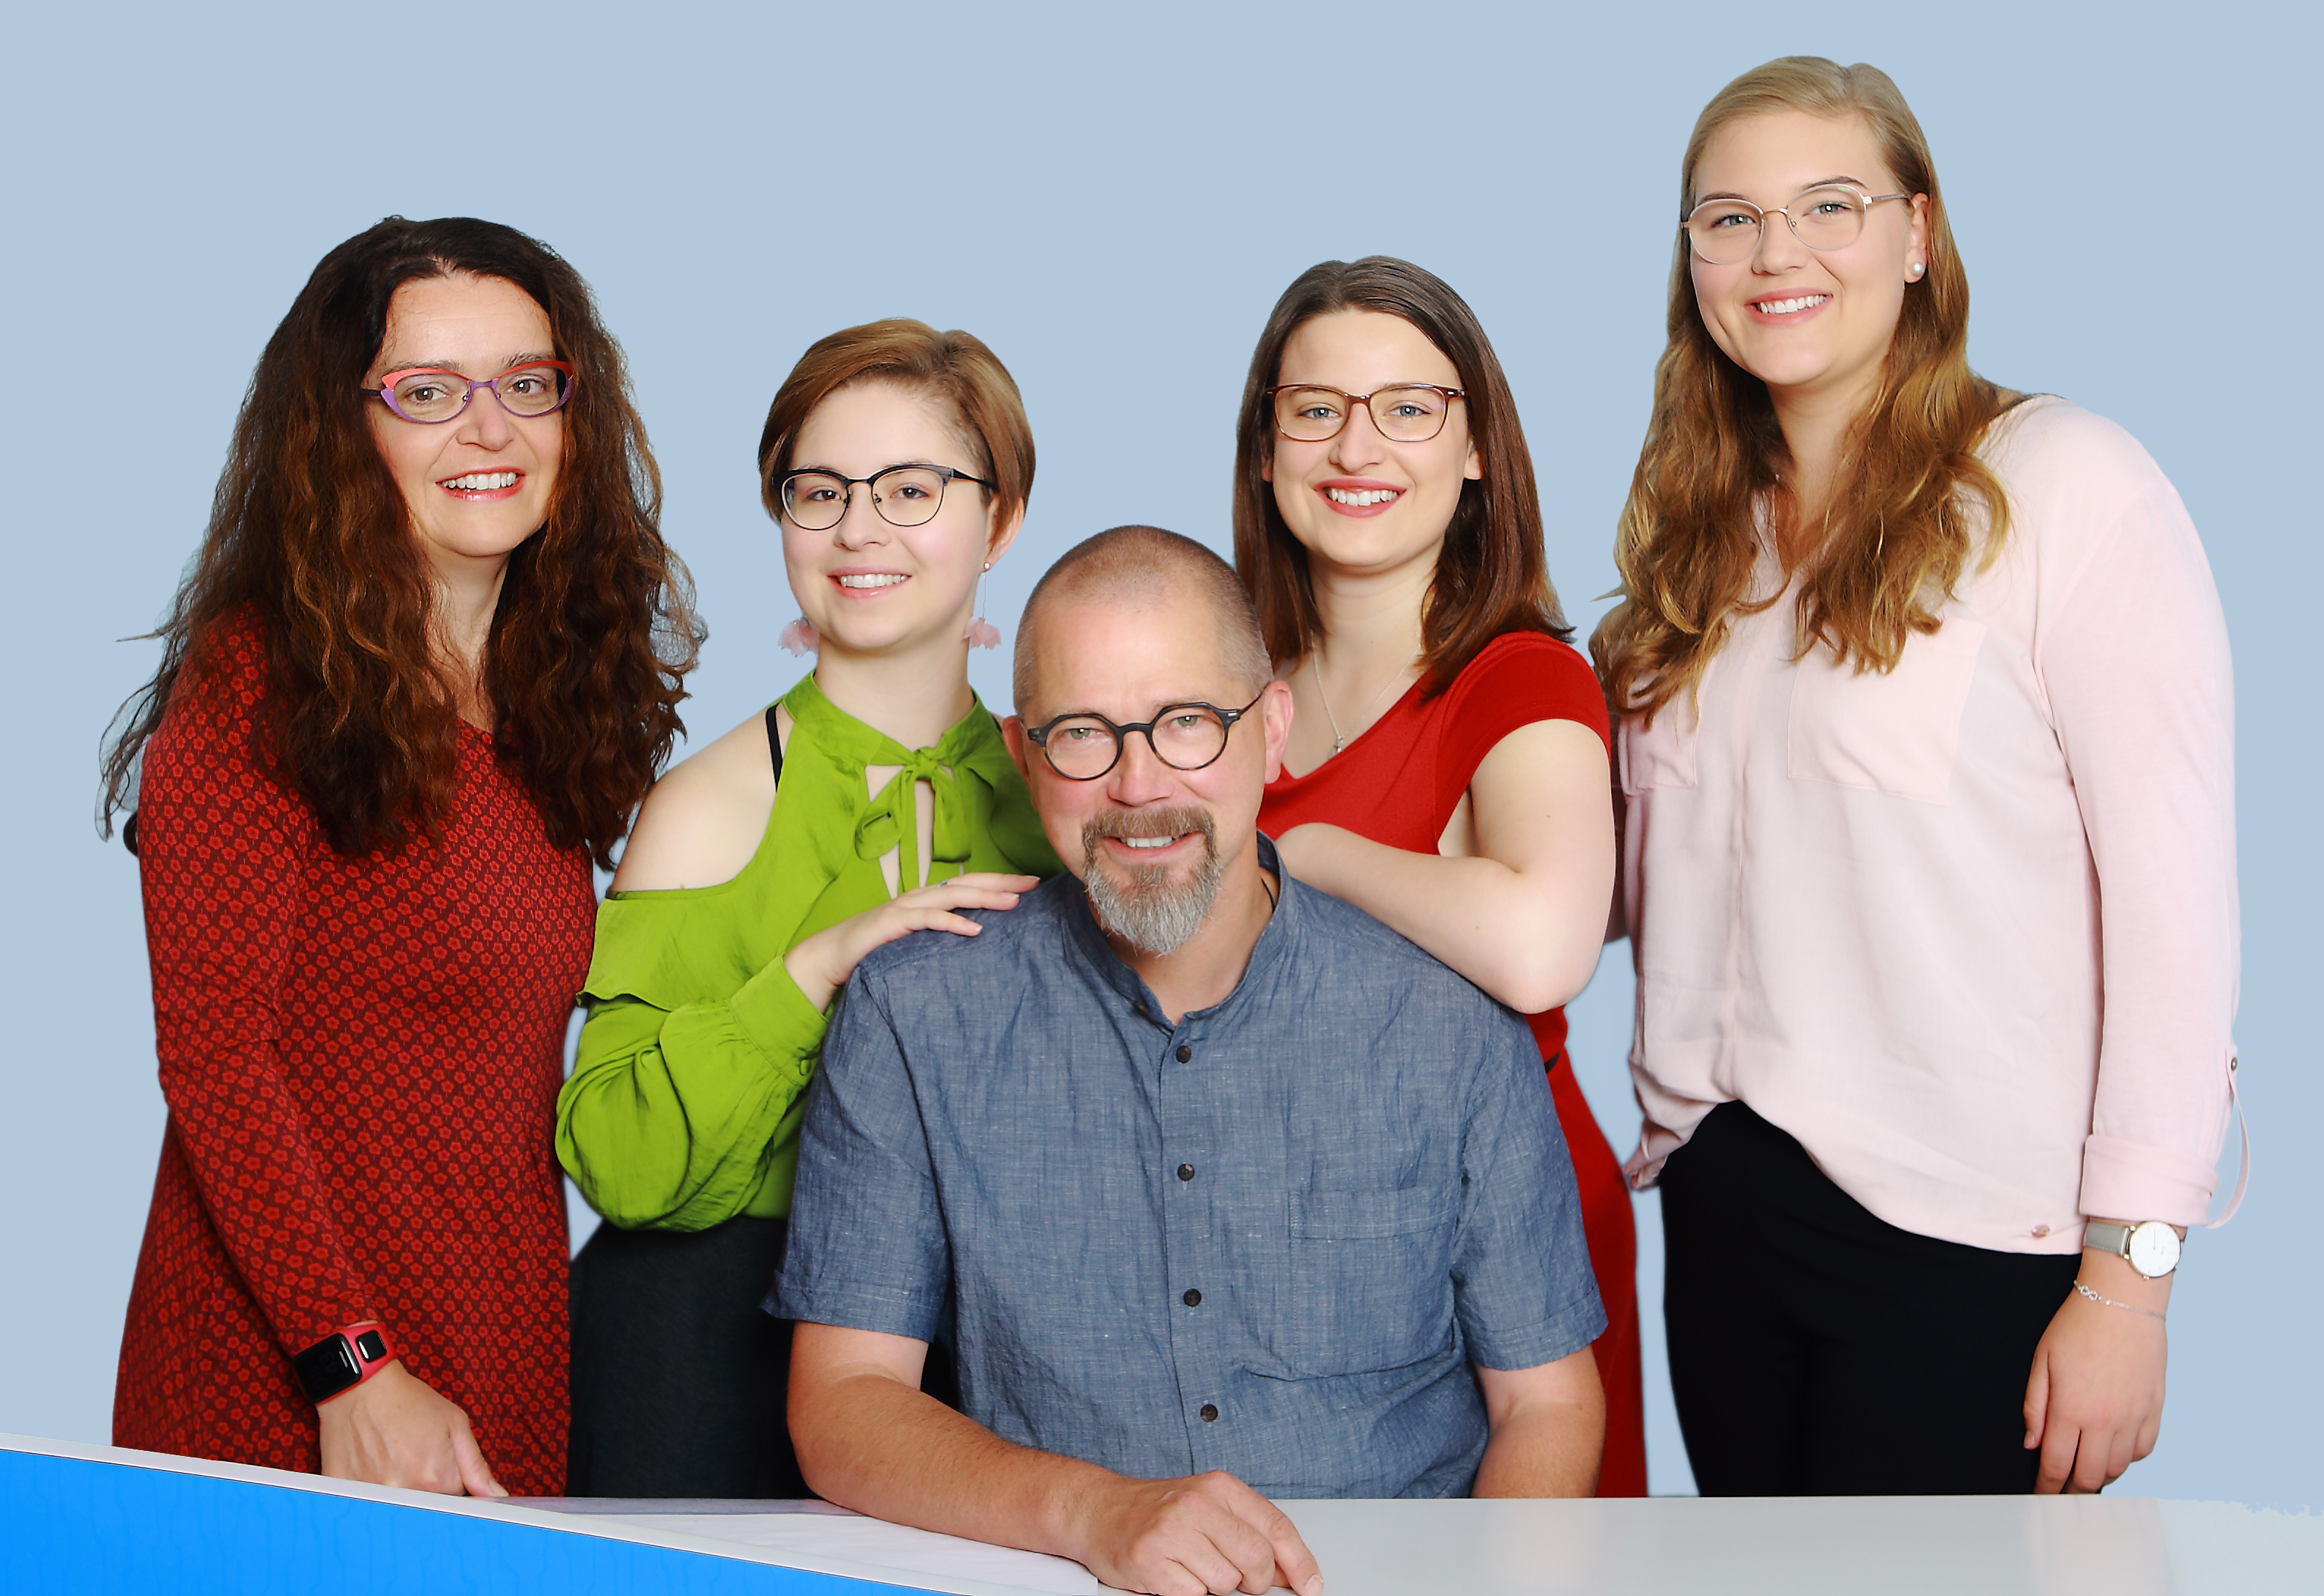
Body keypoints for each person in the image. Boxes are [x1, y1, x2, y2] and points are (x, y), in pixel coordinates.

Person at [1594, 57, 2239, 1496]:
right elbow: (1610, 889)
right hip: (1721, 1211)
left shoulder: (2066, 486)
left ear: (1916, 234)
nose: (1777, 254)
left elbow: (2174, 921)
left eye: (1829, 205)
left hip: (1974, 1236)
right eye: (1729, 219)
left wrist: (2130, 1279)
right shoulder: (1696, 550)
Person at [780, 525, 1607, 1596]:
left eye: (1187, 724)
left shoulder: (1449, 1019)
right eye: (1083, 734)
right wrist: (1094, 1513)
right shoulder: (914, 1013)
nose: (1139, 785)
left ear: (1272, 728)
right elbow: (843, 1399)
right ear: (1024, 755)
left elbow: (1548, 1401)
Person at [100, 217, 700, 1497]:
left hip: (501, 1349)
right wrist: (352, 1367)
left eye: (527, 383)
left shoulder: (549, 708)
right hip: (297, 1372)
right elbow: (213, 1055)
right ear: (344, 428)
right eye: (428, 392)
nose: (490, 430)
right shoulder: (255, 686)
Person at [555, 319, 1059, 1498]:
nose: (858, 530)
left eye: (911, 489)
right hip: (700, 1360)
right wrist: (812, 971)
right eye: (819, 491)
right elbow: (616, 1159)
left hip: (999, 1356)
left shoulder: (1068, 799)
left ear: (1002, 519)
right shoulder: (703, 806)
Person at [1234, 256, 1644, 1495]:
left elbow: (1543, 944)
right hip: (1285, 1236)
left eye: (1409, 408)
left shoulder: (1521, 677)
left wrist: (1311, 855)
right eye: (1317, 408)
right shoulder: (1223, 693)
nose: (1357, 447)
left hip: (1508, 1246)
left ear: (1476, 450)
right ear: (1266, 447)